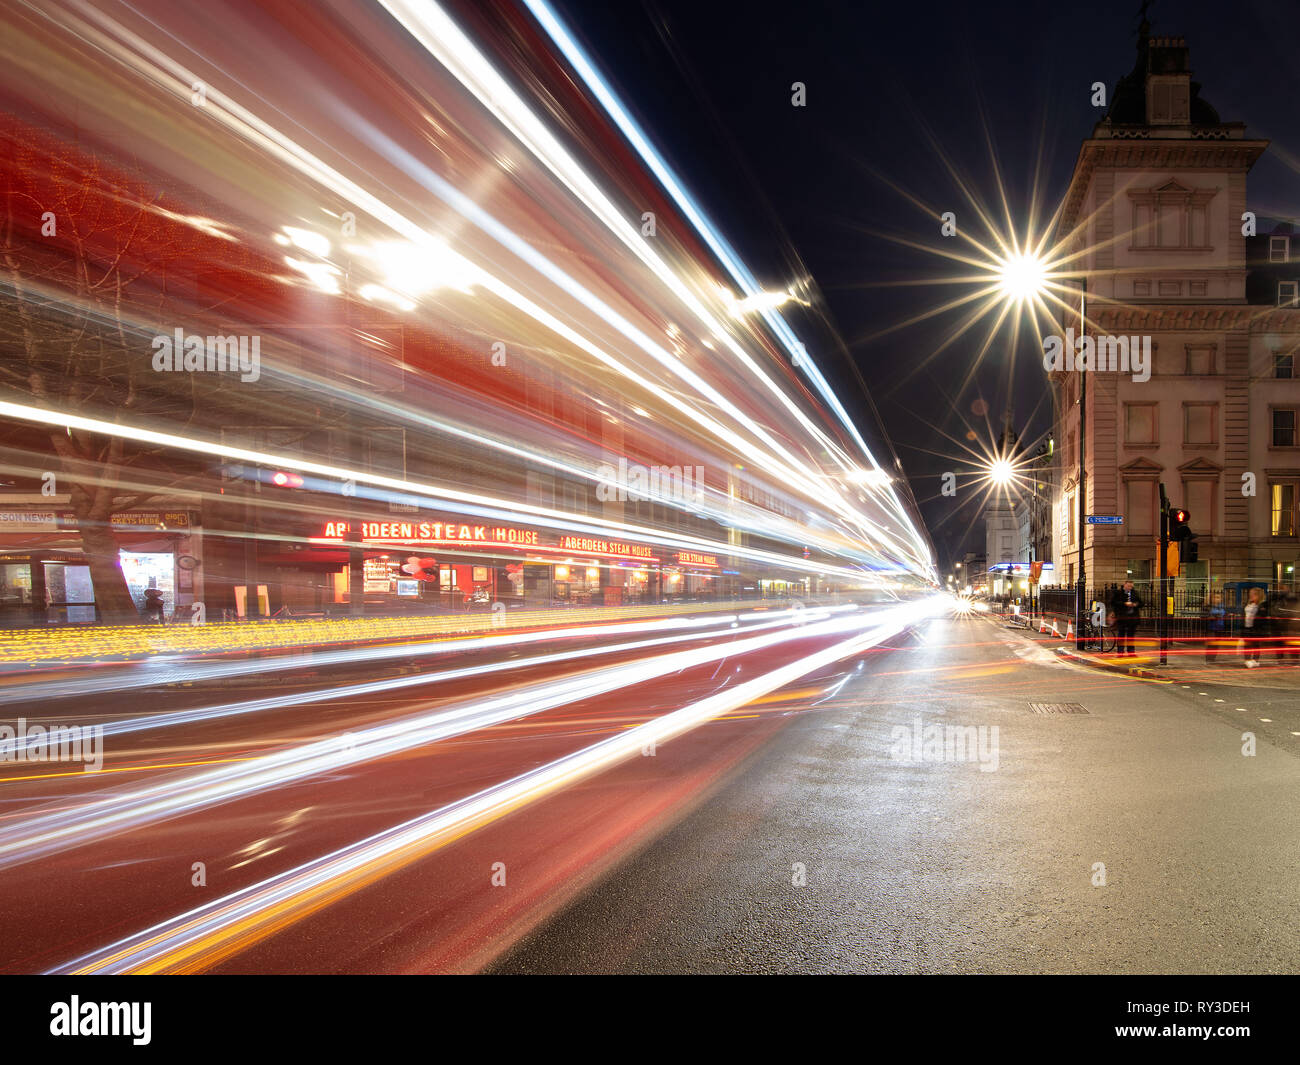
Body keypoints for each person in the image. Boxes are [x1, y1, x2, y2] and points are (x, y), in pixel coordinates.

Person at [1109, 580, 1142, 656]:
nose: (1130, 588)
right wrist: (1124, 604)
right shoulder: (1118, 593)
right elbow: (1113, 603)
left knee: (1131, 636)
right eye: (1128, 586)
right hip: (1122, 618)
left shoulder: (1134, 593)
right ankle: (1120, 652)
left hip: (1132, 618)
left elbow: (1141, 603)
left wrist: (1135, 604)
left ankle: (1131, 652)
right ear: (1125, 585)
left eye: (1131, 586)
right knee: (1121, 635)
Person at [1243, 587, 1270, 668]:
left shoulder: (1262, 605)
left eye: (1253, 594)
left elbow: (1262, 617)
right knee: (1246, 645)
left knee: (1255, 644)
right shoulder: (1248, 604)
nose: (1250, 595)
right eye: (1250, 593)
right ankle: (1247, 660)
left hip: (1255, 628)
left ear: (1258, 595)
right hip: (1246, 627)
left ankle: (1255, 660)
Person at [1205, 592, 1227, 664]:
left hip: (1220, 628)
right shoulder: (1210, 607)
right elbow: (1211, 614)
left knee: (1216, 644)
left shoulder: (1222, 606)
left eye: (1218, 597)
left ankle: (1213, 658)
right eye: (1215, 597)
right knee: (1211, 644)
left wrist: (1217, 614)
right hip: (1212, 628)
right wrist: (1215, 614)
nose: (1217, 599)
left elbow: (1222, 613)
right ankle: (1208, 658)